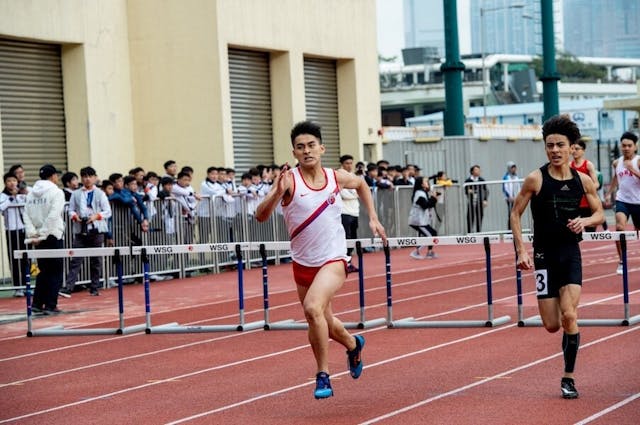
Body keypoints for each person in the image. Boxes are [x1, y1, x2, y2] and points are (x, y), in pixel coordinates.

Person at [256, 120, 387, 399]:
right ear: (294, 153)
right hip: (303, 263)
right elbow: (261, 215)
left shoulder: (335, 177)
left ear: (322, 148)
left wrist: (373, 218)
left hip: (334, 258)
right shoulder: (289, 180)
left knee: (312, 309)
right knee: (323, 320)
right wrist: (276, 194)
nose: (306, 151)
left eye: (311, 145)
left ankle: (323, 375)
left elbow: (362, 183)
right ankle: (353, 344)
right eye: (300, 147)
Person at [510, 115, 604, 400]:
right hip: (543, 256)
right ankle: (567, 337)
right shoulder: (535, 179)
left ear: (571, 147)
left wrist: (584, 222)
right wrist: (521, 250)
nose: (554, 150)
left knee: (570, 314)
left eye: (559, 145)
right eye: (549, 145)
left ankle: (569, 377)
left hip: (570, 254)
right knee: (552, 324)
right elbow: (515, 213)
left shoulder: (583, 180)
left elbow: (600, 213)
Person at [61, 167, 112, 296]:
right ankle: (68, 287)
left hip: (96, 229)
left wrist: (96, 216)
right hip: (80, 229)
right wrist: (75, 216)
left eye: (90, 176)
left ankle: (94, 287)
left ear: (95, 177)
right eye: (84, 176)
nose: (87, 179)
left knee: (96, 260)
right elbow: (70, 209)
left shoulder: (100, 193)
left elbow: (107, 211)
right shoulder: (76, 193)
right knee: (76, 259)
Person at [23, 164, 66, 315]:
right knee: (55, 271)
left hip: (37, 238)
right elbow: (53, 215)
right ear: (53, 176)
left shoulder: (30, 194)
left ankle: (36, 303)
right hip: (52, 234)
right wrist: (43, 233)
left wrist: (33, 233)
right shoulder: (57, 192)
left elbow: (26, 215)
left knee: (44, 270)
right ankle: (50, 304)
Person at [604, 131, 640, 274]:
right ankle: (622, 260)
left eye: (629, 146)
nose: (626, 148)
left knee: (638, 231)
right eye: (623, 145)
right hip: (622, 200)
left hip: (638, 202)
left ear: (635, 147)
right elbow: (615, 178)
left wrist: (631, 169)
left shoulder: (638, 161)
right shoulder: (616, 162)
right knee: (619, 227)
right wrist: (609, 193)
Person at [0, 172, 27, 297]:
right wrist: (11, 198)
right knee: (14, 259)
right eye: (9, 181)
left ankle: (26, 285)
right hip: (11, 230)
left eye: (14, 181)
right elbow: (2, 208)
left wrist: (22, 194)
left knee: (25, 258)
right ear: (5, 183)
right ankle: (17, 287)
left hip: (23, 229)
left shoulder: (21, 195)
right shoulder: (3, 196)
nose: (12, 183)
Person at [570, 138, 599, 232]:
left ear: (583, 150)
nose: (574, 151)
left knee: (590, 230)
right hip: (575, 203)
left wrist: (585, 190)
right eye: (572, 149)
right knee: (572, 228)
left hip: (587, 202)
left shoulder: (588, 165)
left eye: (577, 149)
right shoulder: (570, 166)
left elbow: (596, 184)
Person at [408, 176, 440, 259]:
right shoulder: (419, 193)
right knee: (429, 236)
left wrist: (434, 198)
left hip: (422, 221)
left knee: (433, 233)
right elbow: (425, 205)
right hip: (417, 221)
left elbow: (429, 204)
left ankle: (429, 252)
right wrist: (433, 198)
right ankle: (416, 252)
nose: (428, 183)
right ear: (422, 184)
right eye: (426, 182)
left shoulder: (423, 192)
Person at [338, 155, 360, 273]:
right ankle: (344, 262)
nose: (349, 165)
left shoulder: (354, 176)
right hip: (344, 212)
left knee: (354, 238)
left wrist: (355, 194)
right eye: (347, 163)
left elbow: (360, 191)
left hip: (354, 211)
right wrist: (354, 194)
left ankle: (348, 260)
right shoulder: (339, 176)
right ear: (342, 164)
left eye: (351, 163)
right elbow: (343, 194)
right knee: (346, 237)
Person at [465, 165, 488, 233]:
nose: (478, 171)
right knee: (470, 217)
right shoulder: (468, 180)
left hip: (480, 201)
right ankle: (469, 233)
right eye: (476, 170)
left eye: (479, 170)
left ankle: (479, 232)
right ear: (472, 171)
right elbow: (467, 191)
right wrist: (470, 191)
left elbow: (485, 191)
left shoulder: (482, 180)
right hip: (471, 201)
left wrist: (485, 200)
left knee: (479, 217)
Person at [502, 162, 521, 230]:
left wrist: (518, 196)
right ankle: (510, 229)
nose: (514, 169)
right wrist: (509, 196)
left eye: (514, 167)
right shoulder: (506, 177)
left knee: (517, 213)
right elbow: (505, 188)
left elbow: (518, 187)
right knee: (510, 214)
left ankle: (516, 228)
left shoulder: (516, 177)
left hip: (516, 198)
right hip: (509, 199)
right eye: (512, 168)